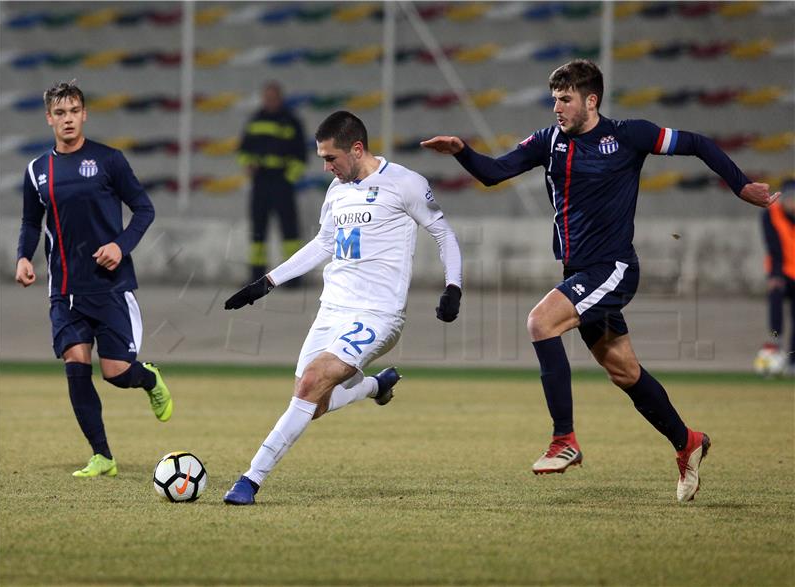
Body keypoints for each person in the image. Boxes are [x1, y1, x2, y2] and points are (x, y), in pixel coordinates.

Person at [421, 59, 780, 502]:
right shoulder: (547, 141)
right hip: (579, 272)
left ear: (591, 100)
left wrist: (741, 186)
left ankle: (564, 440)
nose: (557, 107)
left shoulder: (629, 136)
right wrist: (461, 149)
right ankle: (687, 441)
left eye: (566, 98)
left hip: (613, 269)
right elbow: (495, 173)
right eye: (554, 98)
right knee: (624, 371)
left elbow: (699, 144)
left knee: (540, 322)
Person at [222, 110, 463, 505]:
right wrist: (265, 283)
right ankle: (374, 386)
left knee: (310, 382)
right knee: (311, 404)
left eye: (331, 158)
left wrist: (453, 287)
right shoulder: (336, 192)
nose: (325, 166)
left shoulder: (405, 184)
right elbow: (323, 244)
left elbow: (444, 235)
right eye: (321, 158)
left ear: (356, 148)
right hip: (331, 308)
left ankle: (250, 479)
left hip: (377, 314)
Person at [15, 81, 172, 478]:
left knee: (117, 373)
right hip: (65, 290)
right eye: (60, 113)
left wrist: (120, 246)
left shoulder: (109, 160)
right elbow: (31, 222)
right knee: (76, 364)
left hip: (111, 287)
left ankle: (149, 378)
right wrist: (23, 257)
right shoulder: (37, 171)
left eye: (74, 111)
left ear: (84, 114)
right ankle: (102, 455)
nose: (67, 119)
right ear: (49, 118)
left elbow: (143, 209)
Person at [238, 81, 307, 283]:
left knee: (290, 231)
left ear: (280, 98)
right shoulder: (254, 120)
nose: (270, 101)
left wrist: (288, 179)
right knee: (258, 230)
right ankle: (256, 275)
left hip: (281, 181)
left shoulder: (292, 121)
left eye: (273, 97)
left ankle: (293, 278)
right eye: (267, 97)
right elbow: (243, 151)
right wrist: (248, 164)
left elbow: (301, 155)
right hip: (260, 181)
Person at [759, 193, 795, 374]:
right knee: (776, 299)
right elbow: (772, 246)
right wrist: (775, 274)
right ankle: (776, 342)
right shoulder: (772, 213)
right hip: (781, 272)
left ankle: (792, 359)